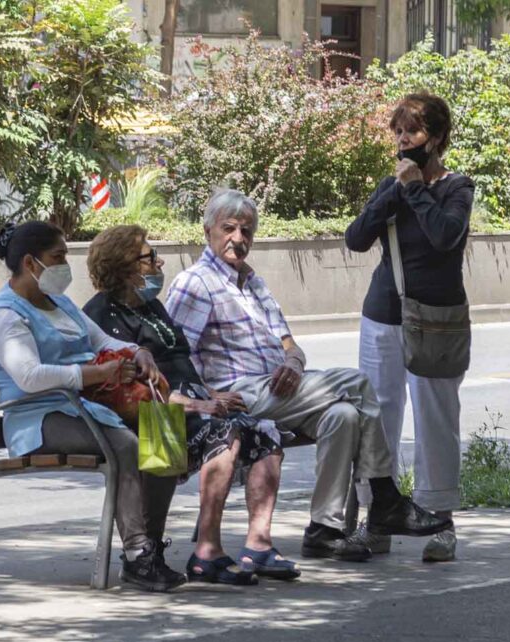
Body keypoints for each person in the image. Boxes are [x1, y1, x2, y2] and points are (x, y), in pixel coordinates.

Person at [166, 189, 453, 562]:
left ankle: (324, 529)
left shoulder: (253, 284)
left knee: (344, 416)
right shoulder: (196, 282)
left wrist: (294, 363)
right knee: (358, 383)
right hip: (236, 393)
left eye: (247, 231)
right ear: (208, 232)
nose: (239, 239)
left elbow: (291, 345)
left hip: (277, 387)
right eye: (229, 228)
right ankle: (384, 498)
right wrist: (207, 397)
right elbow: (173, 356)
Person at [84, 225, 299, 584]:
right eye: (150, 257)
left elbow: (179, 362)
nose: (159, 263)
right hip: (147, 414)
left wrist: (210, 395)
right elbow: (130, 387)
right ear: (125, 266)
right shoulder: (104, 314)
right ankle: (200, 552)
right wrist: (194, 406)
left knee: (262, 432)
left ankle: (258, 543)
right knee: (224, 434)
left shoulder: (151, 306)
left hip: (187, 403)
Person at [0, 220, 185, 592]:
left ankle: (147, 550)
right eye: (57, 257)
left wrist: (137, 352)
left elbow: (101, 337)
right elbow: (28, 376)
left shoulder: (59, 303)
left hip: (87, 407)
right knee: (125, 447)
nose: (64, 265)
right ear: (30, 263)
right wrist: (93, 373)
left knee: (165, 434)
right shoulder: (4, 315)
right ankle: (138, 552)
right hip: (39, 416)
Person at [345, 92, 475, 563]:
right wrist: (393, 195)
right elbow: (356, 238)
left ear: (436, 138)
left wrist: (417, 188)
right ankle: (376, 516)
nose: (403, 139)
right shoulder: (391, 185)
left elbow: (445, 237)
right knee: (376, 419)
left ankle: (439, 519)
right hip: (383, 315)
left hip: (437, 320)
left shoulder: (457, 188)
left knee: (436, 419)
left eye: (414, 131)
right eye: (398, 130)